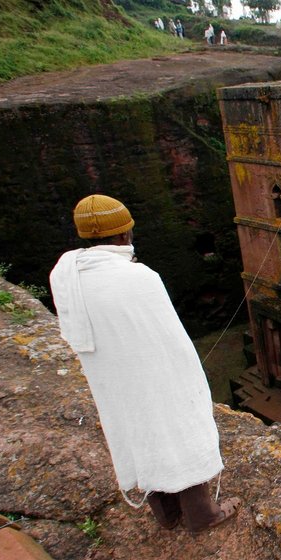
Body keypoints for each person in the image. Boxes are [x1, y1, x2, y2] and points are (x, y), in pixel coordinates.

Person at [49, 194, 241, 533]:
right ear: (124, 235)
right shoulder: (139, 278)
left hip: (113, 380)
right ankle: (202, 515)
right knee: (180, 431)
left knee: (139, 433)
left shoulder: (66, 276)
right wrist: (190, 381)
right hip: (154, 374)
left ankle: (167, 512)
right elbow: (170, 337)